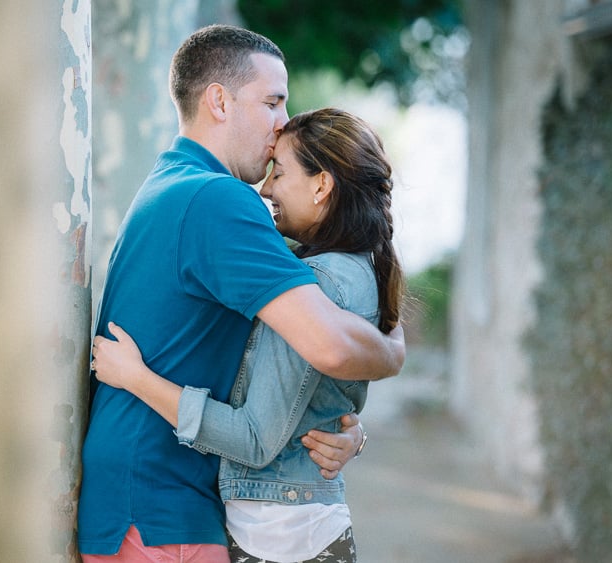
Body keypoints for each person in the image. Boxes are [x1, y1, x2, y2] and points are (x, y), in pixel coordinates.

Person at [77, 25, 405, 562]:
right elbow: (332, 346)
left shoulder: (175, 182)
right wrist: (392, 352)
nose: (281, 126)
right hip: (161, 509)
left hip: (161, 500)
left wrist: (341, 425)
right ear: (219, 101)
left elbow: (313, 346)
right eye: (273, 103)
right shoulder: (219, 201)